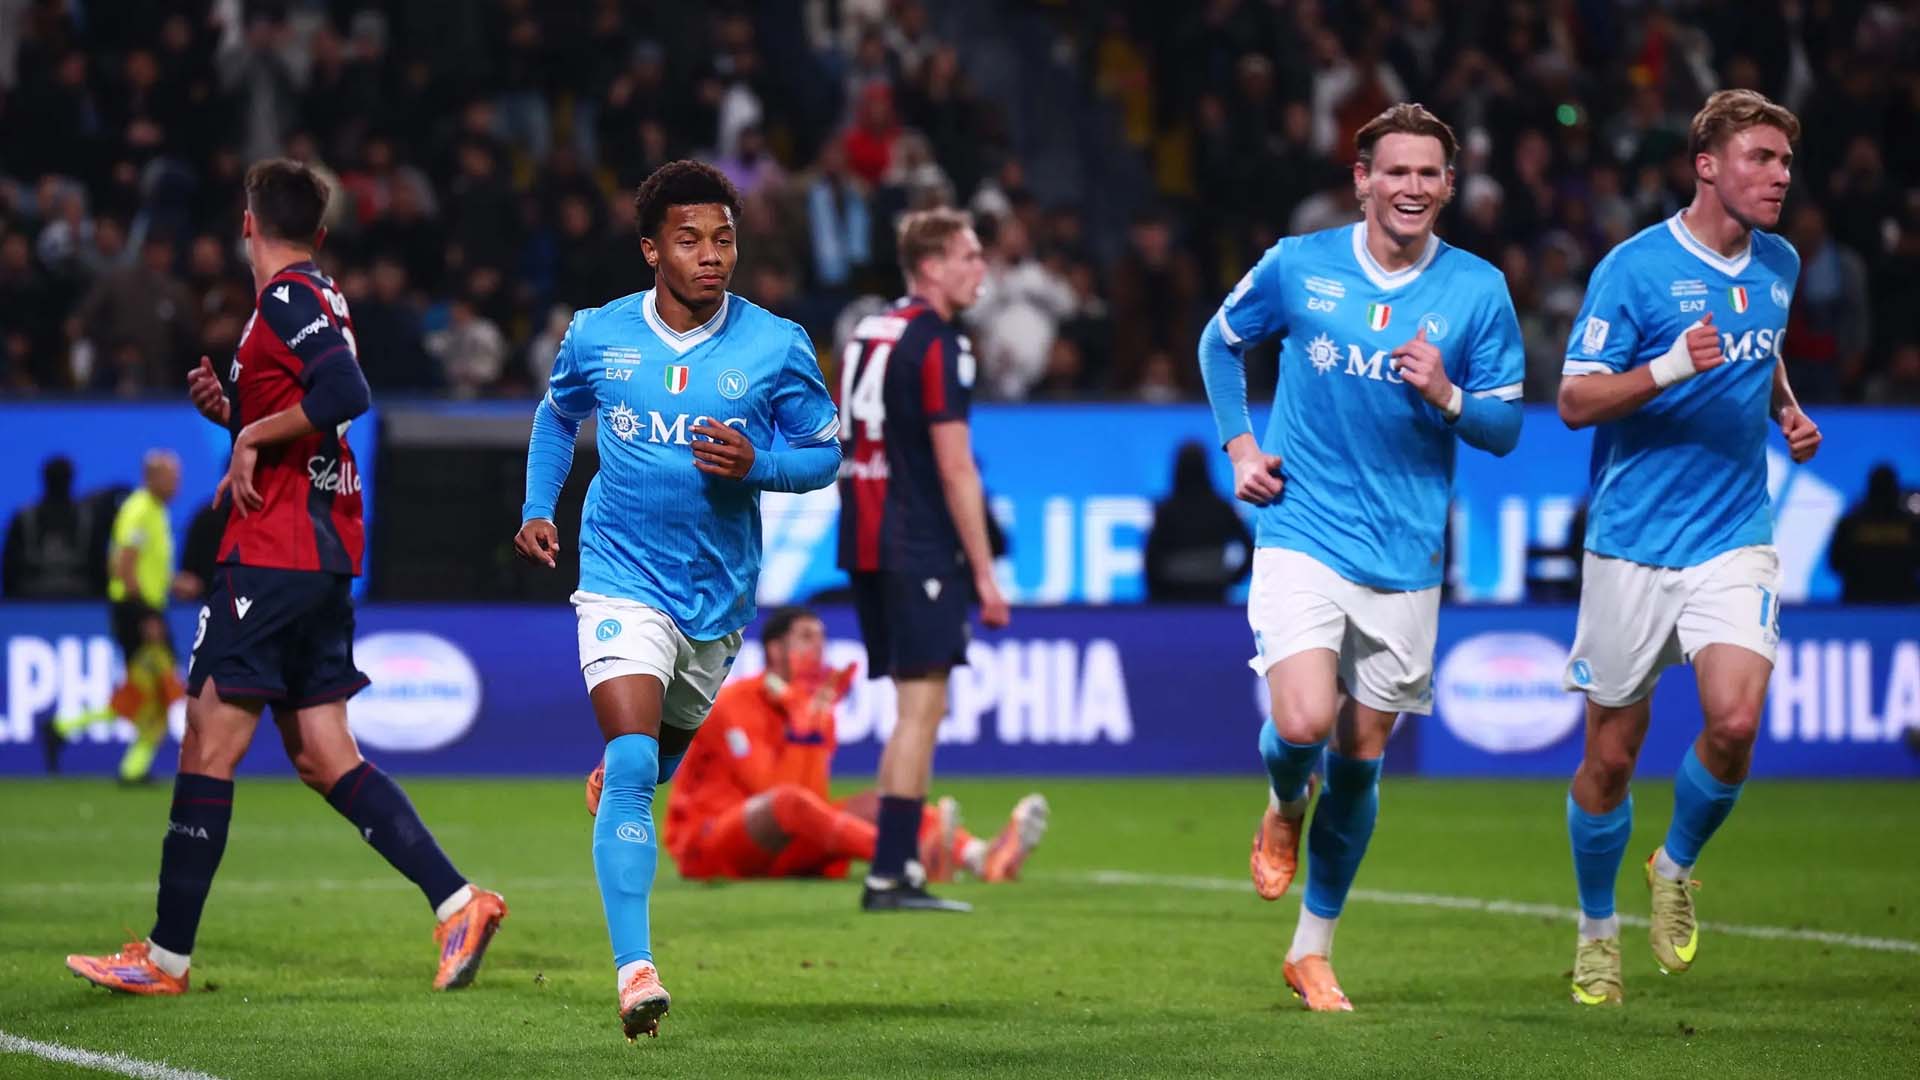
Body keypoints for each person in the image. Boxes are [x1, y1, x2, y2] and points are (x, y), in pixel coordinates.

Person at [65, 159, 507, 998]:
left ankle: (164, 959)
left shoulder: (287, 298)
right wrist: (233, 412)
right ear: (321, 231)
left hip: (274, 551)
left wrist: (247, 436)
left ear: (247, 224)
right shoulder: (323, 296)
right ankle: (459, 902)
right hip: (320, 553)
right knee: (322, 752)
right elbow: (305, 408)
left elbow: (345, 391)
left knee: (207, 739)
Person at [1196, 103, 1525, 1011]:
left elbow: (1505, 427)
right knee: (1304, 720)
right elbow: (1220, 343)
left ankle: (1313, 949)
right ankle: (1282, 804)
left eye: (1428, 174)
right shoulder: (1299, 265)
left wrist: (1448, 394)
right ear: (1363, 180)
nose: (1411, 188)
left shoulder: (1478, 290)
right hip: (1302, 525)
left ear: (1448, 186)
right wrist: (1241, 448)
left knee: (1360, 756)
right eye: (1396, 171)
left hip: (1408, 552)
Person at [514, 160, 841, 1040]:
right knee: (631, 764)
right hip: (620, 576)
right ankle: (636, 970)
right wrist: (539, 506)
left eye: (724, 239)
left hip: (717, 597)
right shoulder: (598, 334)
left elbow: (823, 453)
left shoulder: (776, 343)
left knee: (653, 764)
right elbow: (557, 415)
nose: (712, 256)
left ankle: (625, 771)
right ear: (652, 249)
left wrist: (760, 464)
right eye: (691, 240)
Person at [1555, 90, 1822, 1007]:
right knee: (1610, 760)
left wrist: (1786, 407)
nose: (1780, 177)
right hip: (1632, 542)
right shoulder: (1634, 270)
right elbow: (1575, 401)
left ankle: (1673, 865)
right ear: (1707, 166)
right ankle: (1596, 931)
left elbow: (1763, 342)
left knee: (1735, 723)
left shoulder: (1780, 261)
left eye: (1785, 162)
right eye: (1761, 158)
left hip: (1733, 533)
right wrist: (1671, 365)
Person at [586, 607, 1047, 883]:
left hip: (783, 844)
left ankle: (981, 857)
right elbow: (774, 794)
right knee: (790, 802)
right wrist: (804, 728)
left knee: (882, 804)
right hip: (709, 848)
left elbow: (809, 798)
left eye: (823, 640)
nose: (819, 650)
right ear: (775, 651)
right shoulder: (731, 704)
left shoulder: (814, 707)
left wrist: (809, 723)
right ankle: (907, 859)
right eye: (806, 639)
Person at [836, 207, 1011, 914]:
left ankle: (898, 864)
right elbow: (955, 465)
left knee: (913, 707)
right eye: (969, 256)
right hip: (917, 542)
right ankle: (890, 874)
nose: (981, 268)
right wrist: (986, 574)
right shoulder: (940, 342)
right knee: (921, 709)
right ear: (931, 266)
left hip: (864, 536)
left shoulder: (866, 331)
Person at [44, 449, 184, 783]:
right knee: (161, 691)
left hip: (145, 610)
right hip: (138, 614)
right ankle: (127, 765)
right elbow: (123, 565)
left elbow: (146, 567)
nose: (177, 484)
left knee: (148, 694)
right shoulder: (139, 510)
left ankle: (68, 730)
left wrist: (175, 583)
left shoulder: (156, 511)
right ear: (153, 477)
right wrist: (147, 615)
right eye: (171, 477)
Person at [1144, 440, 1254, 604]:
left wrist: (1156, 595)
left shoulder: (1165, 511)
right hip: (1210, 596)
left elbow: (1150, 559)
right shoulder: (1221, 508)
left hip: (1174, 599)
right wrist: (1232, 578)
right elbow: (1249, 547)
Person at [3, 456, 97, 600]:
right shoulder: (89, 518)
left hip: (29, 604)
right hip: (79, 602)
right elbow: (99, 569)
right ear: (71, 479)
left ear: (44, 478)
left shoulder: (22, 518)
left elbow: (9, 571)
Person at [1827, 464, 1920, 603]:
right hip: (1901, 603)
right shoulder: (1911, 525)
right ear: (1895, 489)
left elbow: (1835, 563)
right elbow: (1835, 563)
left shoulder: (1850, 524)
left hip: (1859, 602)